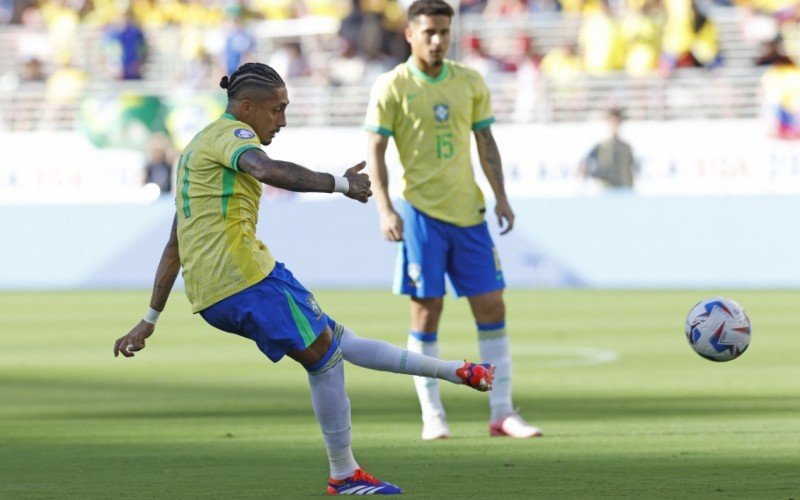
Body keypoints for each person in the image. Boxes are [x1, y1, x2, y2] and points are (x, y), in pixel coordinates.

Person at [112, 62, 494, 496]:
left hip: (225, 289)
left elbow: (175, 243)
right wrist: (341, 184)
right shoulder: (232, 137)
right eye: (276, 109)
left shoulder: (195, 151)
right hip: (245, 281)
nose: (283, 120)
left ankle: (456, 372)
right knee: (326, 359)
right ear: (246, 106)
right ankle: (344, 474)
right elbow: (266, 170)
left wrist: (150, 317)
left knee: (339, 342)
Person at [365, 0, 542, 441]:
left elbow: (486, 141)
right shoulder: (392, 86)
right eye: (428, 32)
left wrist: (501, 196)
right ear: (410, 33)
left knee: (492, 306)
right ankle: (433, 415)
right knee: (427, 313)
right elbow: (375, 152)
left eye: (444, 32)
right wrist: (385, 207)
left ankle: (501, 412)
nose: (438, 40)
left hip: (470, 215)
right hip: (421, 214)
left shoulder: (469, 81)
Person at [579, 107, 636, 188]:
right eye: (612, 122)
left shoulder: (626, 147)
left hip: (624, 190)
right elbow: (584, 164)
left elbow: (632, 168)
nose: (614, 125)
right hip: (606, 190)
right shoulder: (600, 146)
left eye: (617, 122)